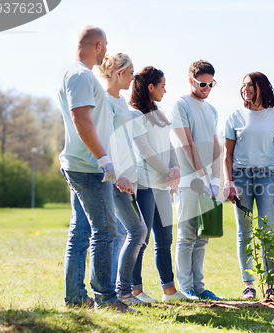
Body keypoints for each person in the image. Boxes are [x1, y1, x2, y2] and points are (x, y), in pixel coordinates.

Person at [58, 25, 133, 313]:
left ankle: (76, 297)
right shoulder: (79, 75)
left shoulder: (76, 73)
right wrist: (103, 158)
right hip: (88, 167)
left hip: (81, 164)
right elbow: (81, 119)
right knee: (106, 230)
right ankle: (106, 298)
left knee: (81, 233)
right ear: (100, 46)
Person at [223, 72, 274, 300]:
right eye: (243, 85)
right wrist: (228, 182)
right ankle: (249, 285)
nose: (246, 89)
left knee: (267, 232)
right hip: (240, 177)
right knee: (244, 232)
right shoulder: (234, 116)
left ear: (261, 87)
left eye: (250, 85)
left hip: (267, 178)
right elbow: (228, 154)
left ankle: (271, 286)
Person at [130, 66, 190, 302]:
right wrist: (167, 171)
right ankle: (135, 290)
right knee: (141, 240)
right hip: (145, 185)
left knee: (165, 239)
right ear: (150, 87)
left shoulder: (160, 113)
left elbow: (169, 145)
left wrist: (175, 169)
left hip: (163, 185)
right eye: (162, 86)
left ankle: (169, 291)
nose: (165, 90)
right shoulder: (134, 114)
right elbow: (144, 149)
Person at [97, 53, 150, 307]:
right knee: (138, 230)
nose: (132, 79)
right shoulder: (106, 102)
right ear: (118, 73)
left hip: (129, 176)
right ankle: (123, 292)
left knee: (127, 232)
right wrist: (119, 176)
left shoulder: (119, 102)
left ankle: (122, 291)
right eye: (130, 73)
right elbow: (107, 143)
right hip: (118, 179)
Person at [169, 60, 224, 301]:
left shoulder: (211, 110)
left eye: (211, 83)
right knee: (186, 234)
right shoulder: (180, 105)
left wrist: (216, 178)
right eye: (203, 83)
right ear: (191, 80)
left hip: (207, 181)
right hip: (187, 180)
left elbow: (214, 145)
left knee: (203, 236)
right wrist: (202, 175)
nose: (208, 88)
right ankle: (185, 287)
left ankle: (199, 287)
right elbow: (186, 143)